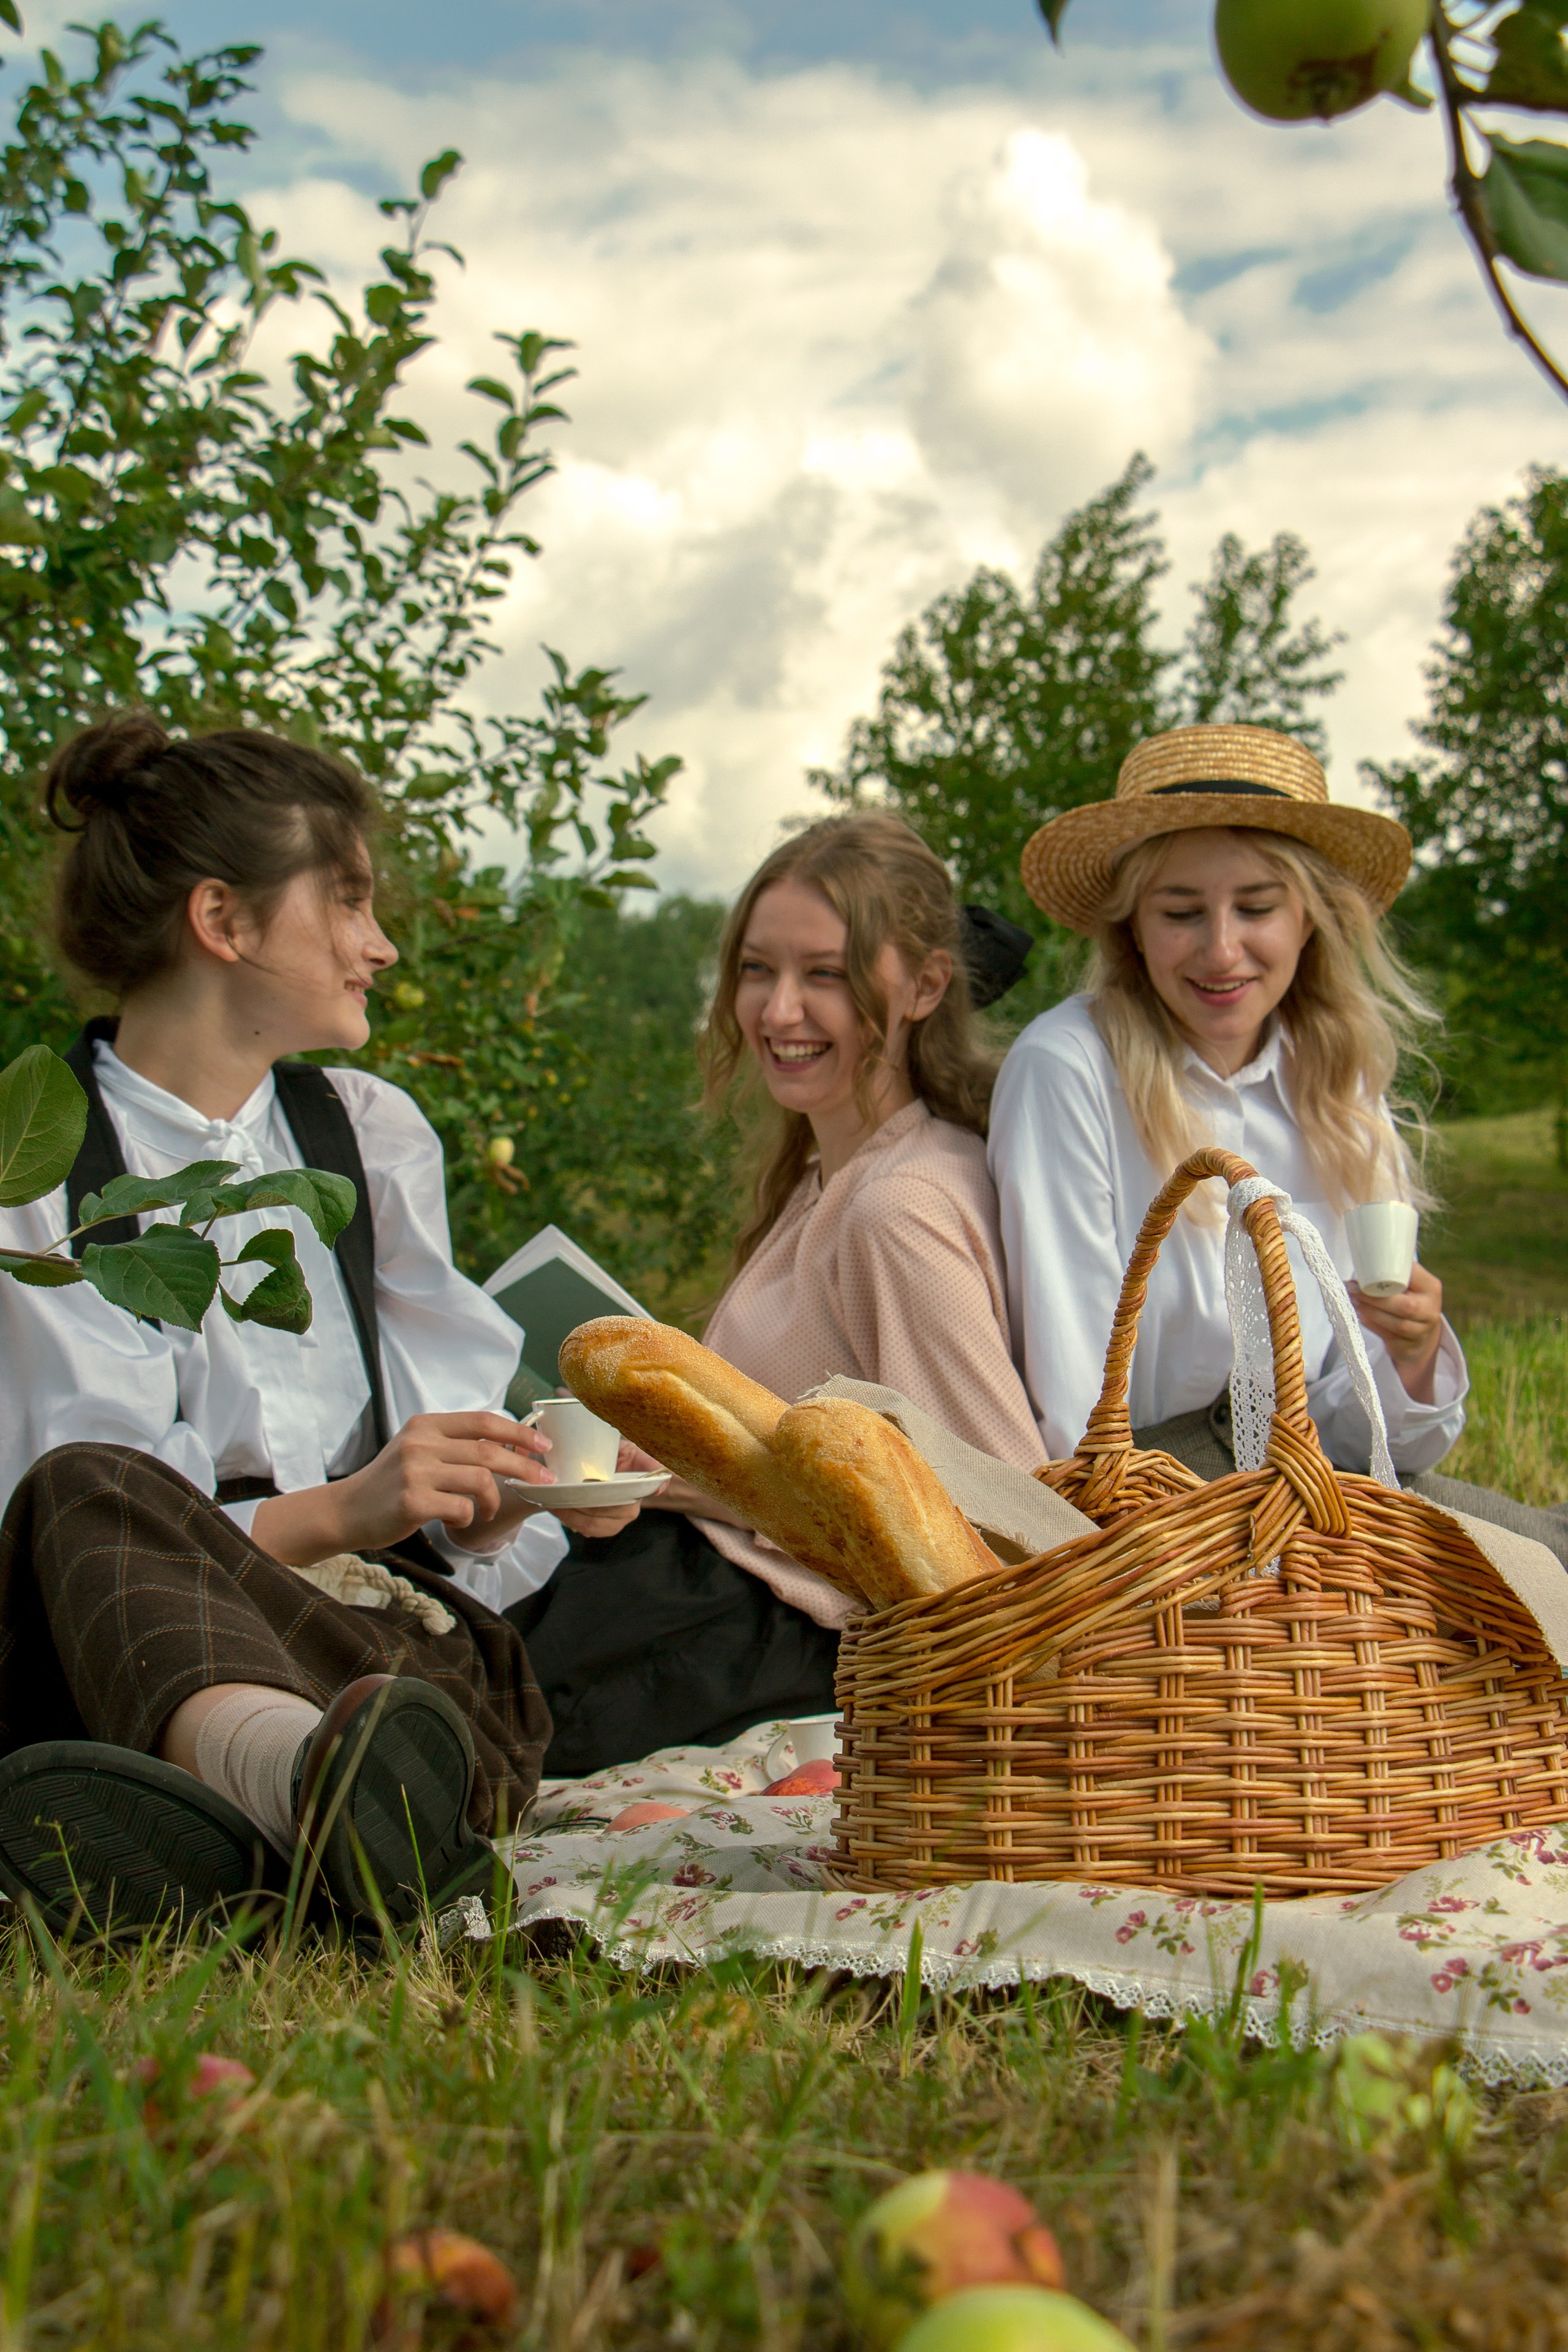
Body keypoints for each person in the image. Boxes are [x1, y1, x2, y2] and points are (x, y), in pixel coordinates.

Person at [0, 712, 653, 1936]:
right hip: (115, 1648)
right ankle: (316, 1807)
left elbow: (437, 1520)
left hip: (373, 1656)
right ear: (225, 922)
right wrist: (351, 1506)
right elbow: (60, 1533)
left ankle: (277, 1808)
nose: (382, 945)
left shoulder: (366, 1134)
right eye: (345, 903)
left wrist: (501, 1493)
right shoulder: (35, 1165)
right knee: (85, 1486)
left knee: (369, 1687)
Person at [508, 811, 1047, 1773]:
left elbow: (999, 1512)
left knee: (455, 1734)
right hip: (707, 1596)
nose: (778, 1010)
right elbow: (789, 1457)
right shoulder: (825, 1175)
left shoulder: (898, 1208)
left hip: (771, 1633)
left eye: (825, 975)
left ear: (926, 984)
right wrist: (654, 1462)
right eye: (759, 970)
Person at [989, 720, 1568, 1563]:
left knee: (1544, 1560)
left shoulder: (1340, 1086)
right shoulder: (1069, 1067)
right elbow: (1072, 1402)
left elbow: (1367, 1440)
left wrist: (1408, 1359)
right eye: (1181, 913)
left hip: (1318, 1479)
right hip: (1152, 1499)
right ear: (1132, 930)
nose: (1222, 950)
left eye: (1257, 908)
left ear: (1310, 919)